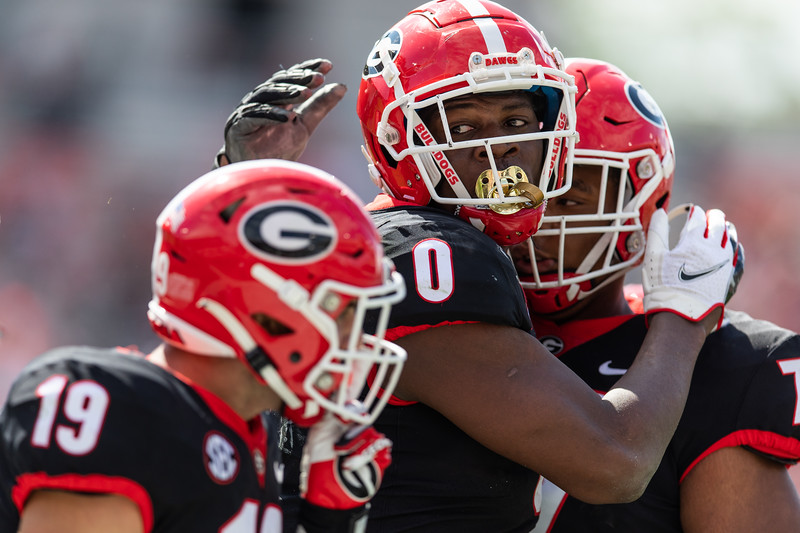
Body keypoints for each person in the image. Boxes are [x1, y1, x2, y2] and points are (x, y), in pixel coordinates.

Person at [215, 1, 744, 530]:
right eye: (464, 128)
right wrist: (681, 316)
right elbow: (616, 463)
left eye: (516, 121)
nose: (502, 148)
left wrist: (250, 193)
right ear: (399, 141)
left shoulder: (361, 241)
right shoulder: (433, 257)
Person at [0, 159, 409, 532]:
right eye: (342, 310)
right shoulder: (114, 405)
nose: (356, 333)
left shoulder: (255, 434)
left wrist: (325, 522)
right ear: (266, 310)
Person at [509, 58, 800, 532]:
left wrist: (681, 331)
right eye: (517, 189)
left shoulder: (719, 362)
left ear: (638, 207)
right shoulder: (451, 324)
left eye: (570, 198)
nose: (536, 221)